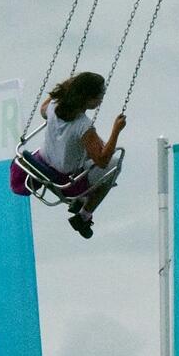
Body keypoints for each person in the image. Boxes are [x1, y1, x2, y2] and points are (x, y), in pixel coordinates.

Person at [26, 72, 126, 239]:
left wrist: (67, 85)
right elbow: (102, 161)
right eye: (99, 96)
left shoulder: (54, 105)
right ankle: (84, 215)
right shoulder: (83, 126)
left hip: (46, 161)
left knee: (96, 143)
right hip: (66, 179)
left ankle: (81, 202)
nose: (101, 99)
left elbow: (42, 111)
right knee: (114, 164)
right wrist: (116, 131)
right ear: (87, 99)